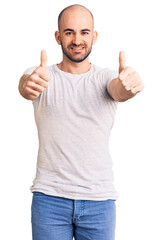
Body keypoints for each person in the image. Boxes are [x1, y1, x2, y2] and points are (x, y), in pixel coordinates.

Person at [18, 4, 144, 240]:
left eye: (84, 32)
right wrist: (27, 84)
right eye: (69, 32)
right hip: (49, 200)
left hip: (99, 202)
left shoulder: (106, 77)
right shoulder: (42, 76)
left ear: (94, 36)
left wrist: (129, 88)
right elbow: (27, 86)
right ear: (58, 37)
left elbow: (118, 90)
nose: (77, 40)